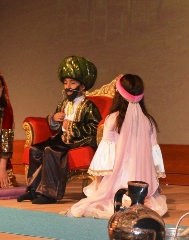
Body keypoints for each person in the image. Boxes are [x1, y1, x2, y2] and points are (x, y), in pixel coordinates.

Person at [66, 74, 166, 219]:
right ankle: (138, 199)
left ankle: (121, 198)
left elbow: (106, 155)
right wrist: (154, 183)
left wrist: (99, 184)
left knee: (103, 194)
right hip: (142, 181)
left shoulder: (113, 120)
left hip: (118, 176)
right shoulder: (148, 121)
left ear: (118, 94)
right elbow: (153, 156)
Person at [20, 56, 101, 205]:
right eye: (65, 82)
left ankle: (49, 194)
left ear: (82, 86)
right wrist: (54, 119)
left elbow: (95, 128)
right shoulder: (63, 103)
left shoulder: (88, 106)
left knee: (51, 151)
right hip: (61, 139)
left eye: (73, 83)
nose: (68, 86)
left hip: (77, 141)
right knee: (35, 150)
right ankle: (34, 190)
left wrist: (72, 127)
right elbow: (55, 126)